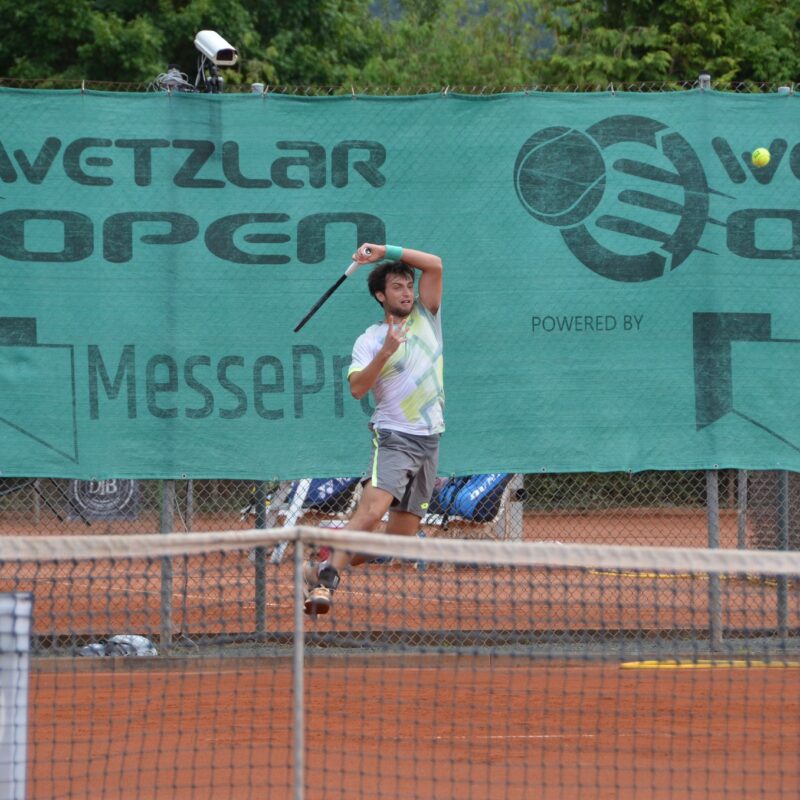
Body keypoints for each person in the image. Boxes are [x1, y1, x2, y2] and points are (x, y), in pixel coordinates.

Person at [304, 242, 444, 615]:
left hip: (430, 440)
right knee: (371, 511)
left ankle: (321, 565)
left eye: (409, 286)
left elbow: (434, 264)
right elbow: (357, 389)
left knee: (395, 544)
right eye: (397, 287)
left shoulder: (427, 316)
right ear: (381, 296)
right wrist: (385, 352)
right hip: (395, 436)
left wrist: (385, 251)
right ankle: (324, 583)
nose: (407, 292)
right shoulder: (369, 340)